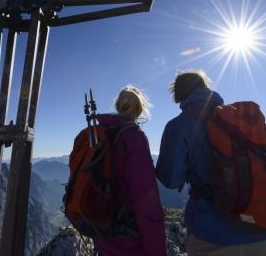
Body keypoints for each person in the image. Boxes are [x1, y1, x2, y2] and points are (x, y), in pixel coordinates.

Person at [156, 70, 266, 256]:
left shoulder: (179, 126)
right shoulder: (238, 120)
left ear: (178, 94)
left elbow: (171, 180)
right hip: (260, 227)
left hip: (213, 233)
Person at [94, 85, 167, 256]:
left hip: (102, 234)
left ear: (118, 107)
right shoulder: (135, 138)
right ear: (139, 110)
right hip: (128, 241)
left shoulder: (101, 133)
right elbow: (145, 200)